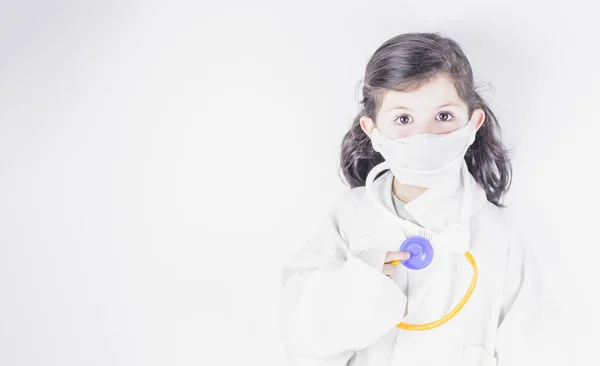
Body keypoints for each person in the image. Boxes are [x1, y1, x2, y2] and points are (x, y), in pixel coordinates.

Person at [276, 32, 566, 366]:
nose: (423, 136)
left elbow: (540, 347)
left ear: (473, 123)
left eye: (443, 117)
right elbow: (301, 332)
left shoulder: (498, 235)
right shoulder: (349, 215)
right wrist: (361, 283)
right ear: (372, 130)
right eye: (403, 118)